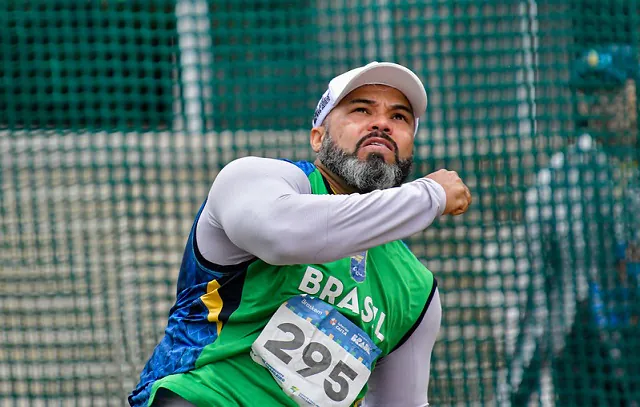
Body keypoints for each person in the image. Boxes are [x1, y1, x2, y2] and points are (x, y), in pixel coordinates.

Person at [129, 61, 473, 407]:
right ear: (318, 136)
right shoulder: (256, 180)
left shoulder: (416, 290)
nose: (382, 123)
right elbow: (282, 236)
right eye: (361, 109)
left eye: (399, 118)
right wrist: (429, 195)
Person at [506, 45, 640, 406]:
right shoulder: (559, 181)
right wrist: (513, 395)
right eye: (587, 94)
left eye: (608, 92)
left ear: (634, 91)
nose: (595, 105)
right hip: (587, 364)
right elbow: (536, 301)